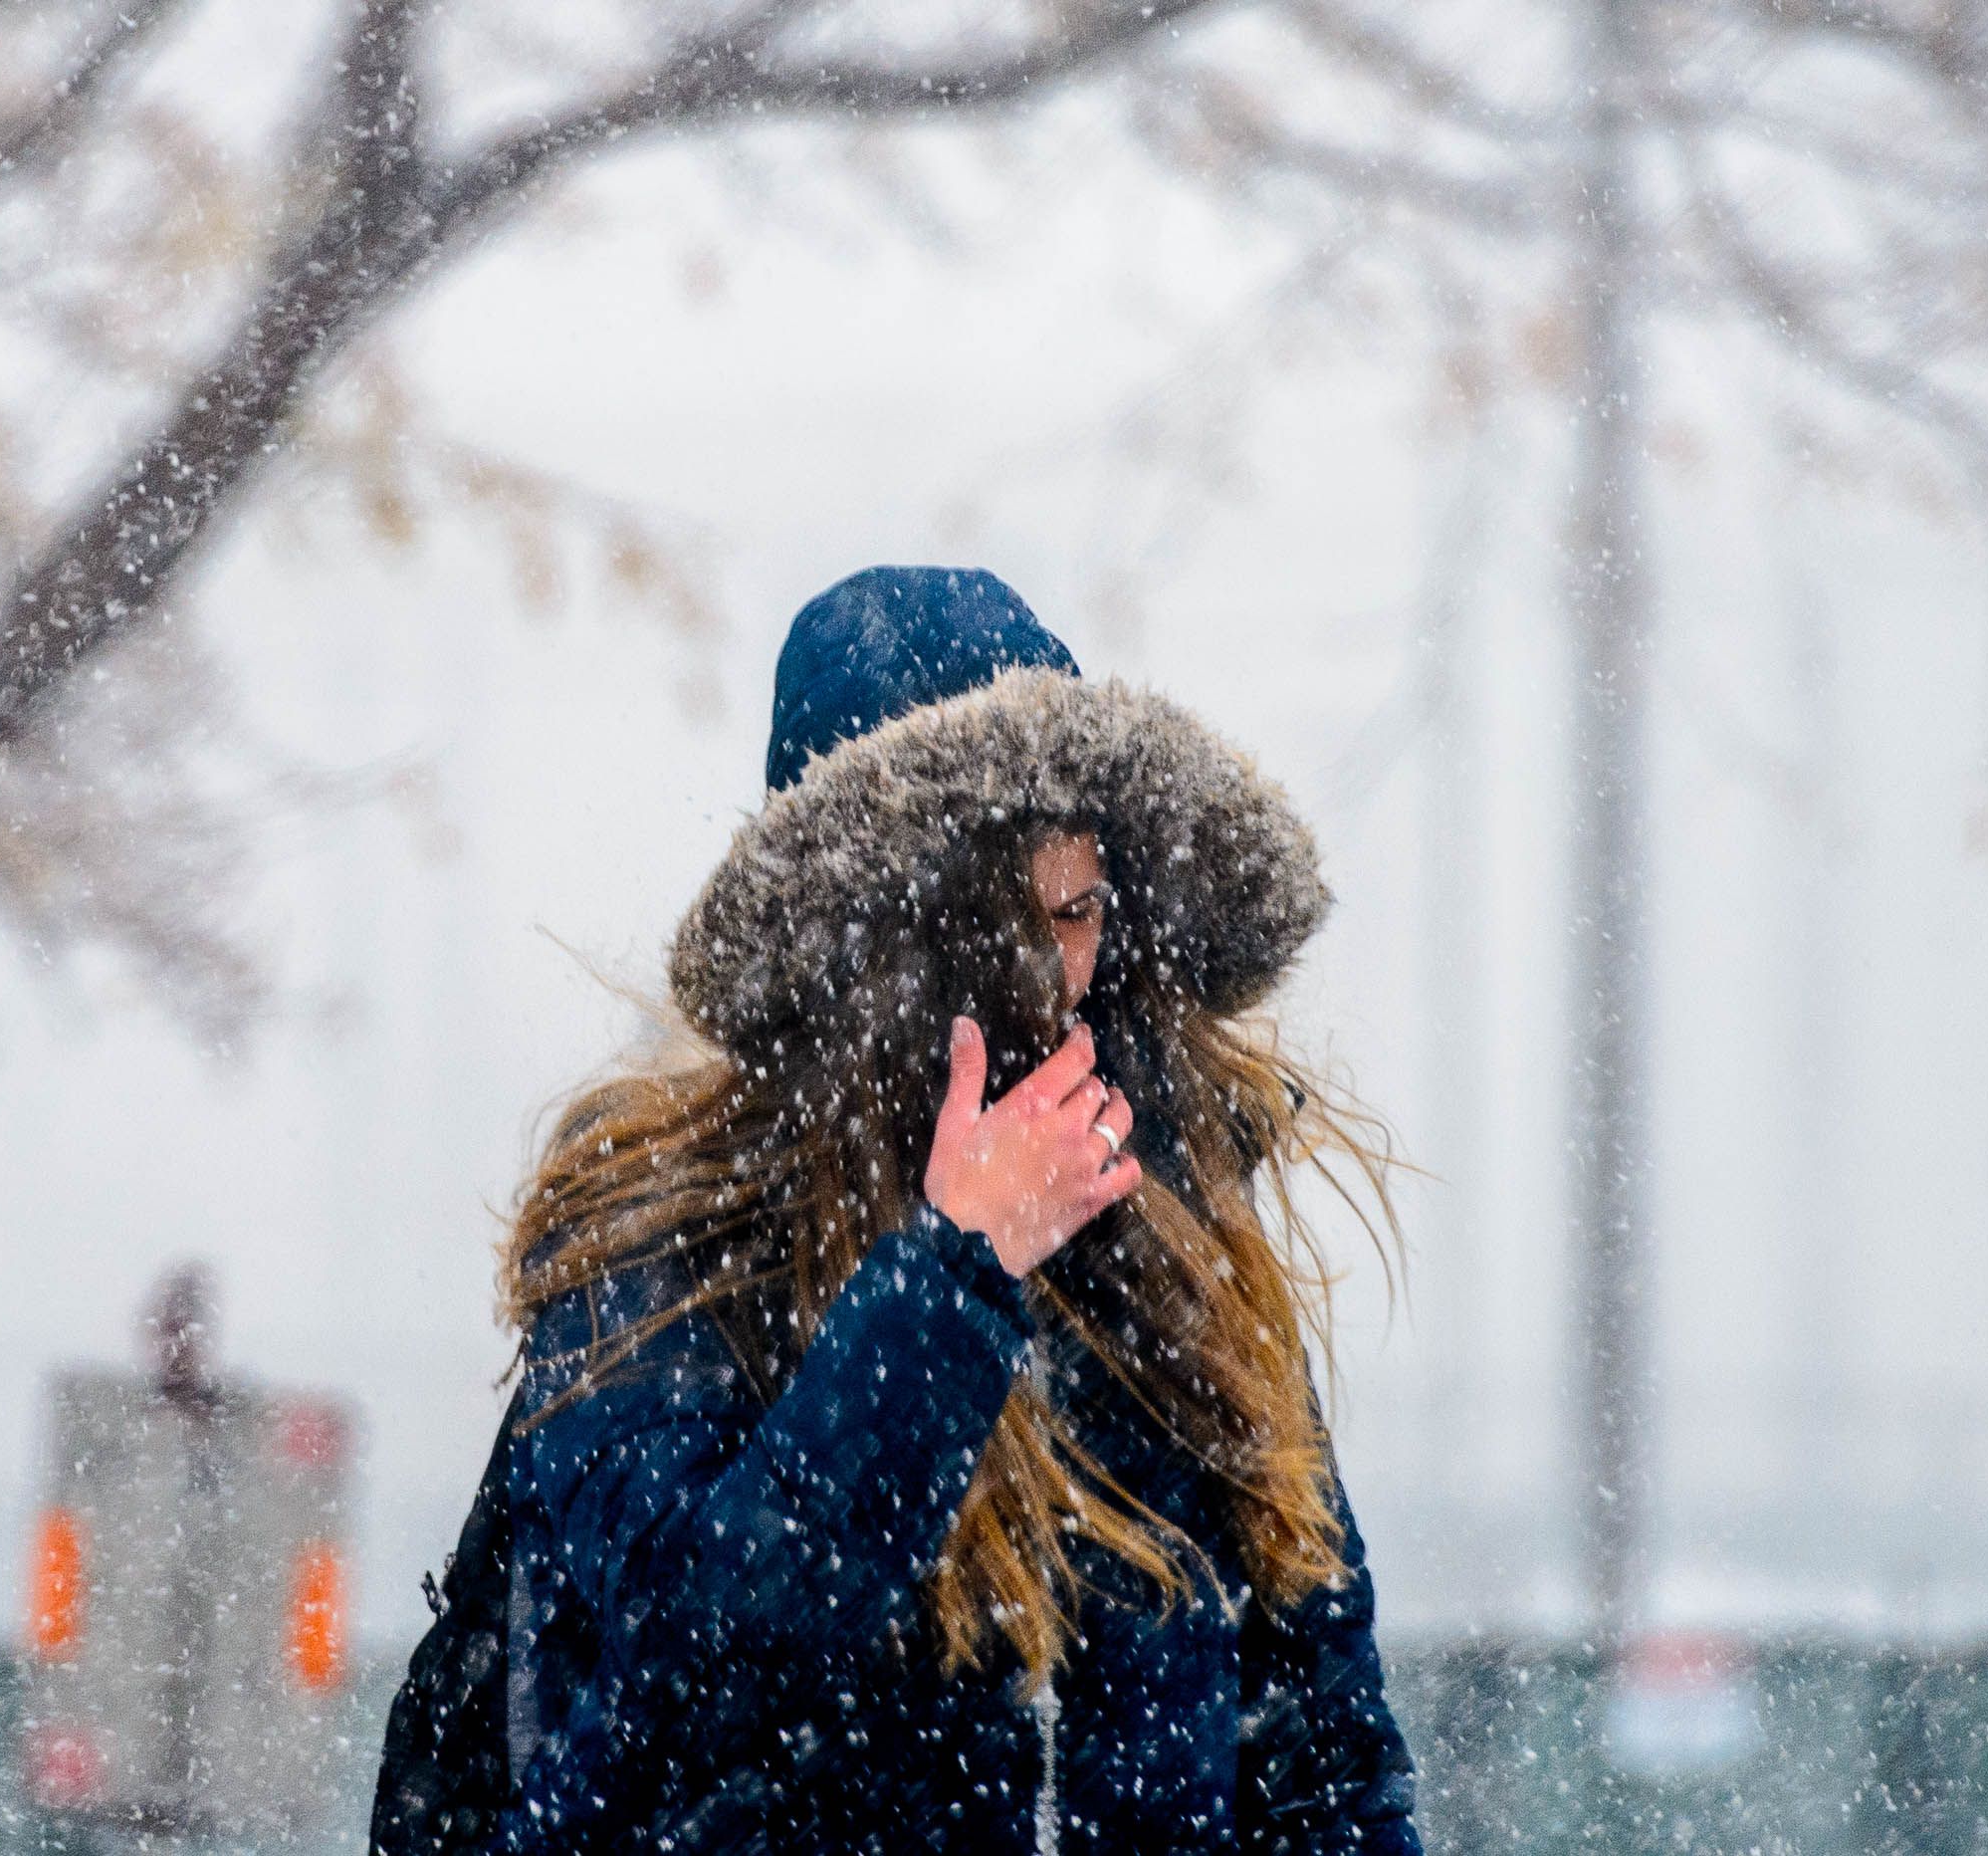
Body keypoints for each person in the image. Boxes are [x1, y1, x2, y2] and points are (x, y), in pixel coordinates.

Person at [470, 566, 1417, 1852]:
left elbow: (1322, 1751)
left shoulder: (1172, 1241)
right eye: (988, 924)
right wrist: (950, 1277)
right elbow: (684, 1701)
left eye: (1077, 912)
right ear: (862, 945)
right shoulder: (662, 1257)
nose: (1052, 974)